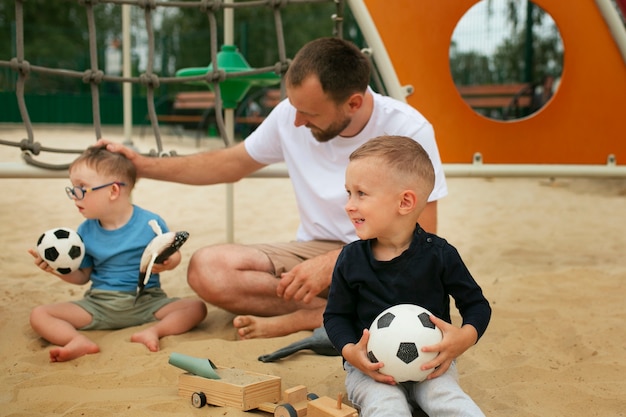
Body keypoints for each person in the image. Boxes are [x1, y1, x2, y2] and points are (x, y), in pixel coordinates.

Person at [100, 37, 448, 339]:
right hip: (314, 249)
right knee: (208, 268)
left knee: (411, 290)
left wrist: (340, 261)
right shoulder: (290, 115)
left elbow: (422, 236)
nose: (296, 121)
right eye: (293, 106)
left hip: (384, 256)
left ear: (353, 103)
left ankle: (316, 315)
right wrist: (141, 166)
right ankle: (332, 313)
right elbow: (229, 163)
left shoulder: (408, 130)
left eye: (308, 112)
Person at [323, 135, 491, 417]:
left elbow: (476, 305)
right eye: (348, 193)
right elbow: (335, 316)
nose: (349, 205)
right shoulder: (351, 259)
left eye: (361, 194)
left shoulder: (440, 255)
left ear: (405, 202)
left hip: (431, 365)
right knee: (387, 406)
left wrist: (464, 337)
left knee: (447, 400)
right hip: (371, 369)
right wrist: (352, 352)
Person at [28, 146, 207, 362]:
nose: (74, 197)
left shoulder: (150, 222)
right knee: (40, 314)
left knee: (196, 308)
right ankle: (76, 340)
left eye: (81, 188)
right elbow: (82, 276)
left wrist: (168, 262)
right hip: (99, 305)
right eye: (72, 189)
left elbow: (172, 252)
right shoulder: (85, 230)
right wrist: (57, 269)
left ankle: (154, 331)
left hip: (147, 302)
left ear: (113, 191)